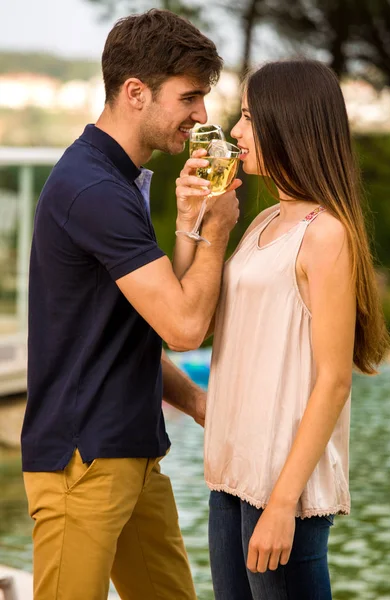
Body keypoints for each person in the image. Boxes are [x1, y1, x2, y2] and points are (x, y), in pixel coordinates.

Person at [21, 9, 240, 600]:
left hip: (135, 456)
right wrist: (216, 230)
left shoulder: (118, 181)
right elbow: (185, 325)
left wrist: (193, 399)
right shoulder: (94, 188)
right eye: (190, 97)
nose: (201, 116)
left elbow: (126, 332)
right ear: (136, 93)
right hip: (82, 462)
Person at [177, 60, 390, 599]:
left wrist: (281, 505)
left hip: (281, 487)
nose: (237, 132)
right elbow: (193, 322)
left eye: (248, 117)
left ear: (286, 123)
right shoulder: (263, 221)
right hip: (232, 475)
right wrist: (191, 219)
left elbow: (333, 381)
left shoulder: (326, 235)